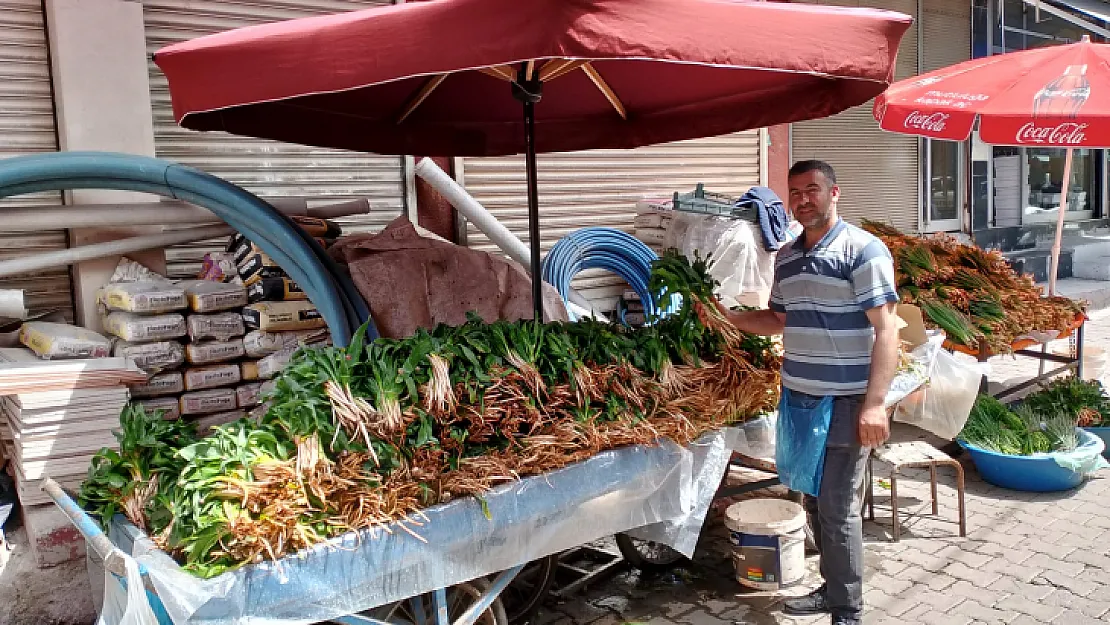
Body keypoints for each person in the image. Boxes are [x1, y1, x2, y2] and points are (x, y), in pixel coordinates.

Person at [716, 160, 901, 625]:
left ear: (834, 192)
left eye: (812, 189)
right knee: (816, 500)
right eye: (794, 192)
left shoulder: (864, 250)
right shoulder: (787, 256)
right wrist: (729, 318)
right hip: (800, 402)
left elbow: (889, 331)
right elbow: (778, 320)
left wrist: (875, 404)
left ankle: (847, 611)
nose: (802, 199)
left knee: (837, 510)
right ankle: (831, 589)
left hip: (845, 403)